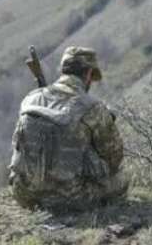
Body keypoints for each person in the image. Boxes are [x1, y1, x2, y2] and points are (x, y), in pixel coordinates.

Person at [9, 46, 127, 211]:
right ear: (88, 74)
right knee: (120, 180)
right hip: (70, 200)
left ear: (63, 70)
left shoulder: (30, 99)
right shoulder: (92, 108)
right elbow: (114, 158)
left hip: (23, 195)